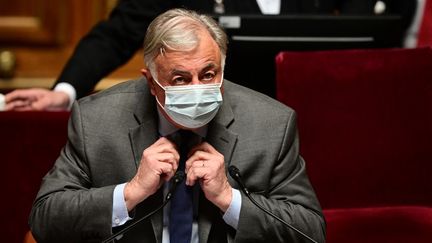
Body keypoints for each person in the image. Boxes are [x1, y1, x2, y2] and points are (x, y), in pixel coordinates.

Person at [28, 8, 325, 243]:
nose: (197, 88)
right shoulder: (97, 120)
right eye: (180, 79)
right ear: (151, 82)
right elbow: (45, 220)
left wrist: (228, 198)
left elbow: (310, 231)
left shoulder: (270, 124)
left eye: (208, 75)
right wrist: (129, 193)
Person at [5, 0, 396, 111]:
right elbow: (118, 32)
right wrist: (67, 90)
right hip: (210, 131)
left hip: (316, 129)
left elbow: (372, 36)